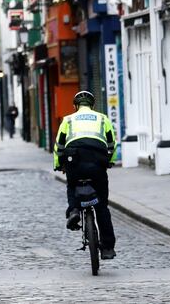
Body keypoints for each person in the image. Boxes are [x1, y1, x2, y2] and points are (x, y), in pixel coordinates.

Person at [54, 91, 117, 260]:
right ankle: (108, 248)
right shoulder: (103, 119)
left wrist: (59, 164)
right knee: (102, 206)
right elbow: (112, 143)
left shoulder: (68, 120)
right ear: (92, 105)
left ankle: (74, 210)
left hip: (74, 161)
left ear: (75, 106)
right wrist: (109, 160)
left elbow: (59, 145)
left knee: (72, 184)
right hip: (97, 163)